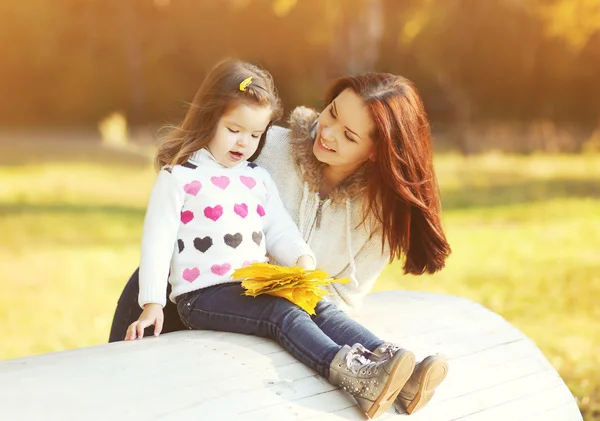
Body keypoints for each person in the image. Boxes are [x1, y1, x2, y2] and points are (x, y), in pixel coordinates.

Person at [110, 61, 451, 415]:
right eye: (331, 113)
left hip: (265, 295)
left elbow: (287, 238)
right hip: (187, 293)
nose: (328, 132)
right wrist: (151, 301)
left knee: (314, 307)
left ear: (376, 151)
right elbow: (162, 236)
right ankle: (352, 371)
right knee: (127, 394)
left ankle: (393, 366)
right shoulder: (263, 147)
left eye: (349, 135)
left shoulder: (377, 214)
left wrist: (300, 265)